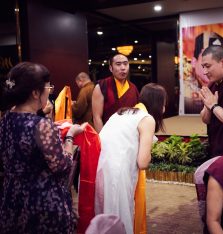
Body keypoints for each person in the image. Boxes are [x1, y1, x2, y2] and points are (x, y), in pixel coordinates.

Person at [0, 62, 87, 233]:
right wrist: (70, 136)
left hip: (12, 200)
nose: (49, 90)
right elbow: (62, 167)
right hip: (42, 203)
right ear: (35, 92)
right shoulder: (42, 126)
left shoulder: (6, 119)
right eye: (48, 86)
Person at [95, 83, 167, 234]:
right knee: (120, 218)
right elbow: (142, 162)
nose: (164, 109)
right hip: (117, 173)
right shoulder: (147, 119)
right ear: (158, 104)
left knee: (103, 217)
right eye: (164, 104)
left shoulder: (122, 112)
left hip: (98, 168)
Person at [92, 53, 139, 133]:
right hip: (109, 133)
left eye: (125, 64)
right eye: (118, 64)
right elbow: (97, 117)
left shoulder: (133, 88)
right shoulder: (102, 86)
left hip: (130, 133)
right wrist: (103, 139)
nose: (123, 68)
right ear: (111, 68)